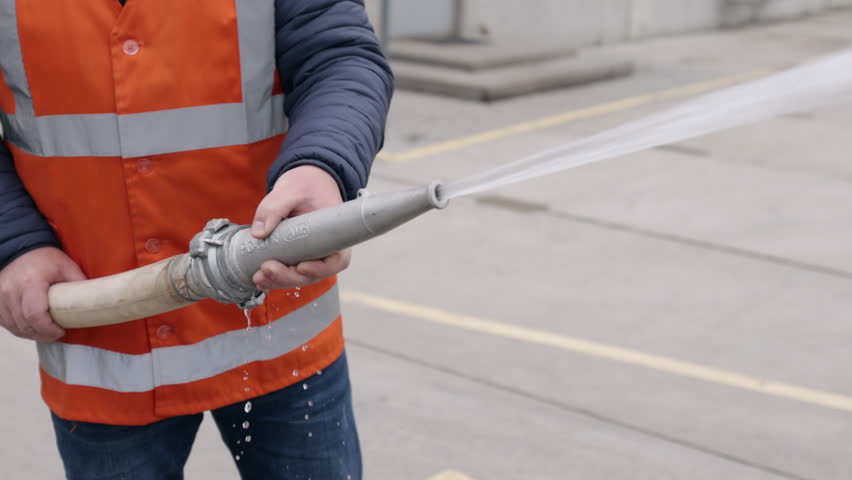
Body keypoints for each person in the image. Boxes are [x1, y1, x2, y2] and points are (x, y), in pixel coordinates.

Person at [0, 0, 392, 478]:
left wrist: (323, 165)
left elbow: (338, 55)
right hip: (104, 344)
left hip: (280, 332)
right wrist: (14, 240)